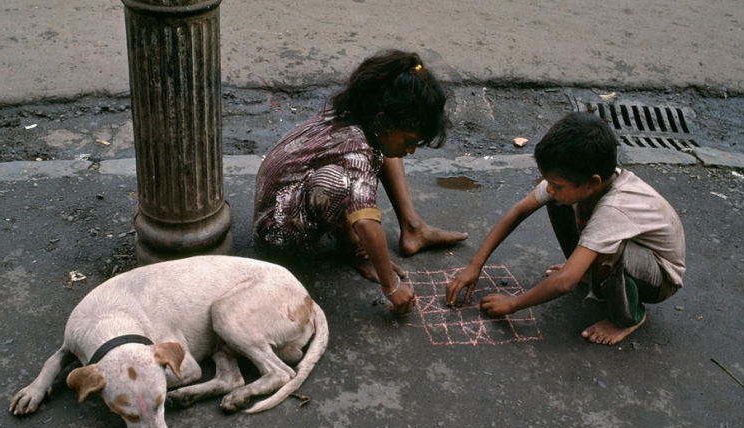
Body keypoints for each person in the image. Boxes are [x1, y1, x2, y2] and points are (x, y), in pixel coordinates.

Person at [253, 50, 467, 314]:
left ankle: (409, 228)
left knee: (382, 148)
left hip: (293, 195)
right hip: (278, 231)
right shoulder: (354, 146)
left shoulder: (360, 116)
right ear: (380, 119)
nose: (411, 150)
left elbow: (382, 146)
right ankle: (347, 246)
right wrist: (391, 285)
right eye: (410, 141)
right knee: (342, 181)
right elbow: (366, 221)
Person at [445, 112, 686, 345]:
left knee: (608, 249)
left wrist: (513, 304)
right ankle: (586, 271)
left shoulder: (614, 208)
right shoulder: (579, 183)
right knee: (557, 202)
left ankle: (627, 317)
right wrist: (475, 265)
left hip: (660, 277)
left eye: (557, 184)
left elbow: (564, 283)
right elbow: (518, 211)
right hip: (632, 252)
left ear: (593, 183)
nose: (549, 188)